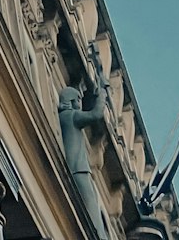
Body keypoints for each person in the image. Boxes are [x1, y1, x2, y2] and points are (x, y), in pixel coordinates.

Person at [58, 84, 110, 240]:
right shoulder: (72, 116)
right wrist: (102, 96)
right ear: (72, 100)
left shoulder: (64, 117)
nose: (80, 104)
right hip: (79, 170)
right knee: (91, 204)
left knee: (91, 201)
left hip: (76, 170)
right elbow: (96, 114)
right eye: (78, 99)